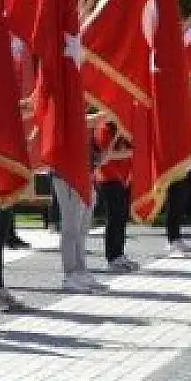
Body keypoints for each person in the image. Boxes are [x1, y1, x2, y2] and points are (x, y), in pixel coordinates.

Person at [57, 118, 107, 294]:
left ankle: (81, 271)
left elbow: (97, 154)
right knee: (70, 228)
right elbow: (76, 123)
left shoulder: (86, 113)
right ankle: (69, 275)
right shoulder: (68, 111)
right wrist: (106, 114)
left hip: (87, 174)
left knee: (82, 228)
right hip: (68, 175)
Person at [94, 121, 137, 272]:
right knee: (114, 218)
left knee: (122, 217)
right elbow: (107, 154)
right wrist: (130, 151)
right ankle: (112, 257)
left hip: (123, 179)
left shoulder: (123, 127)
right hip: (108, 178)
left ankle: (119, 254)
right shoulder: (103, 128)